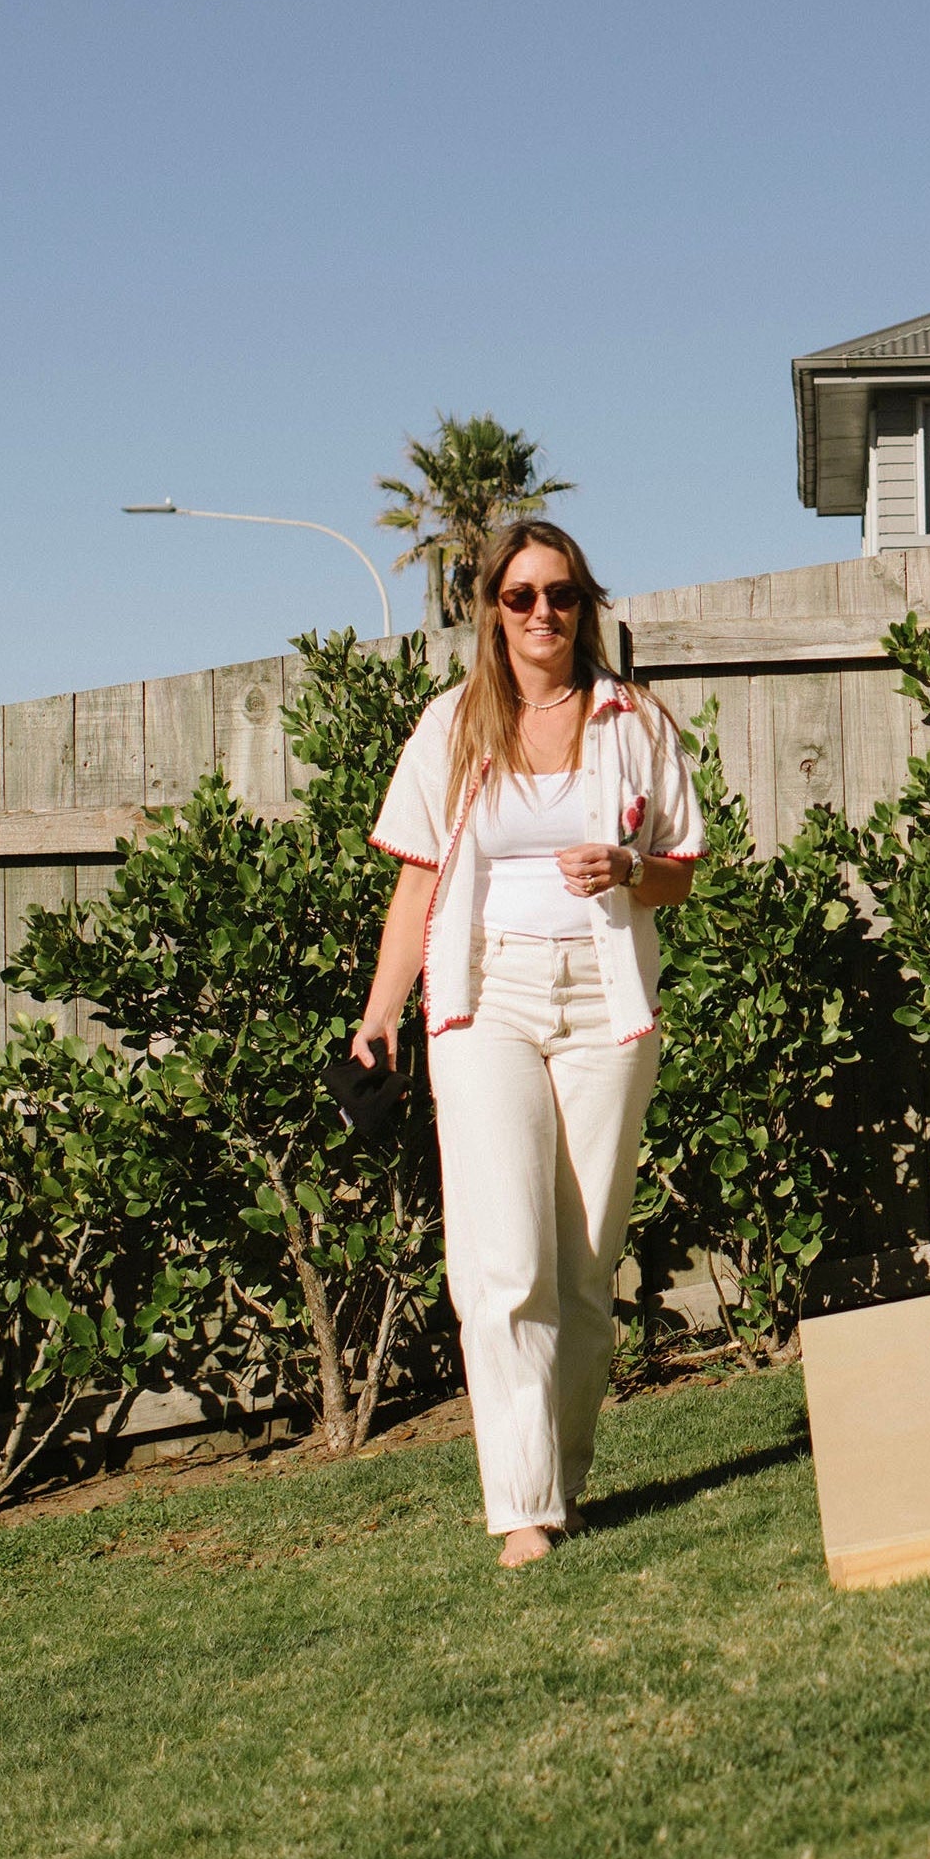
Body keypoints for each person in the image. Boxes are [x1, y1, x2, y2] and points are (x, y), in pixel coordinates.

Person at [353, 519, 702, 1569]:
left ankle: (562, 1472)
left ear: (584, 603)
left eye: (560, 593)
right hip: (485, 997)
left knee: (585, 1264)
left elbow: (682, 864)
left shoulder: (634, 721)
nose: (542, 612)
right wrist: (378, 1015)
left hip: (604, 1002)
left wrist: (630, 869)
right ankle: (523, 1512)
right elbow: (417, 878)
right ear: (490, 611)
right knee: (504, 1261)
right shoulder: (449, 726)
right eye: (521, 596)